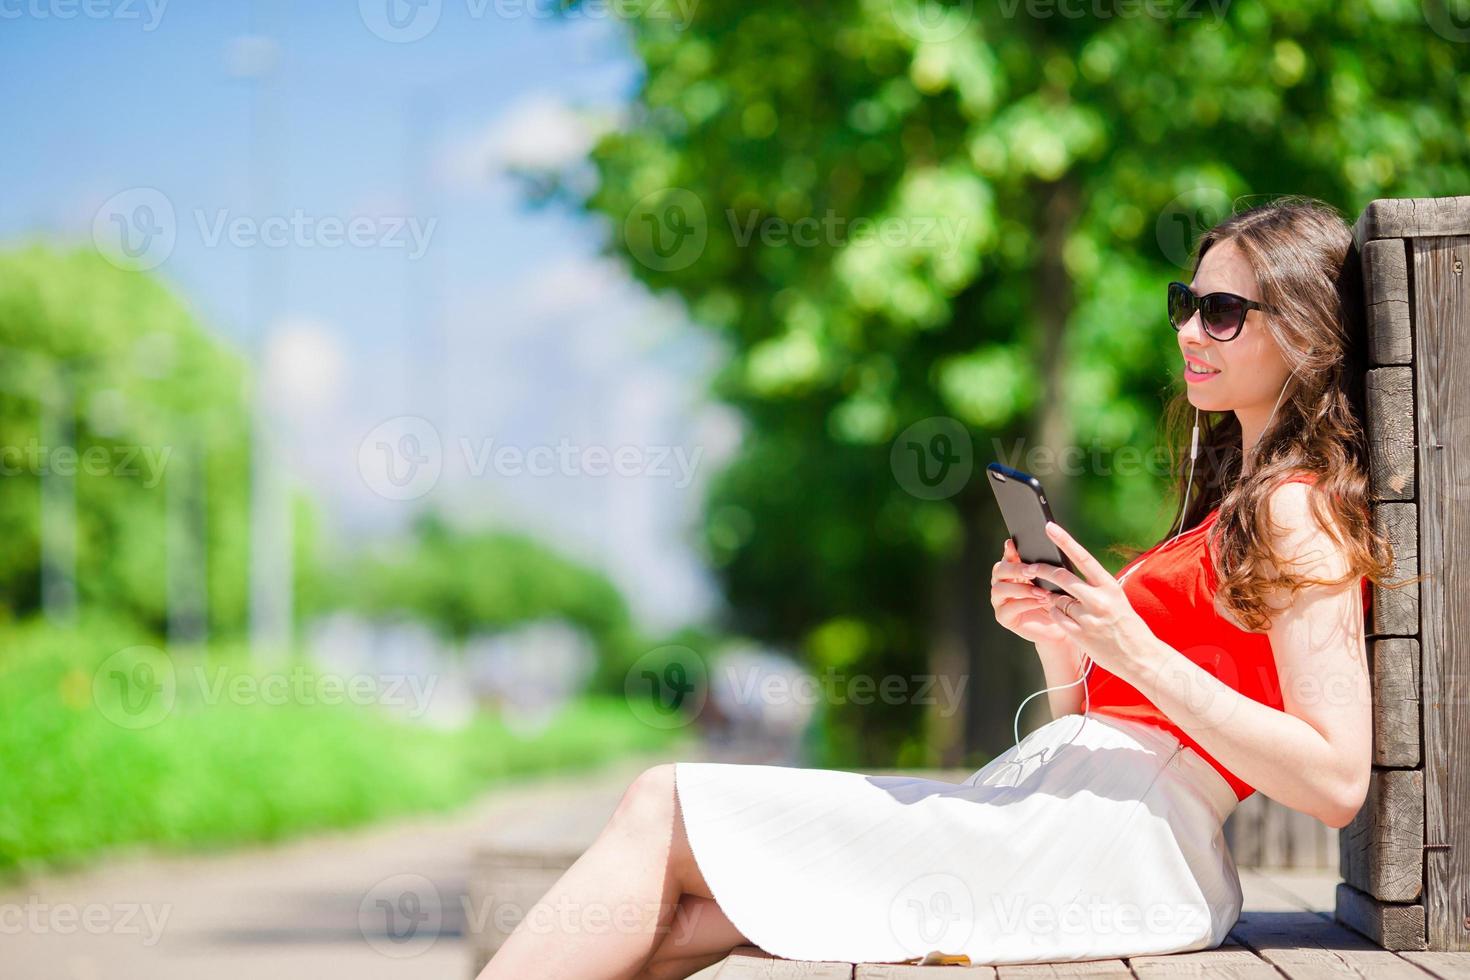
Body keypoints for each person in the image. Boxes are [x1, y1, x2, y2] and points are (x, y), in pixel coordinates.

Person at [476, 196, 1394, 979]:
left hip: (1099, 847)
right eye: (1185, 302)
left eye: (1223, 312)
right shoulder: (1233, 504)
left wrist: (1134, 646)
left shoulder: (1296, 510)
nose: (1190, 330)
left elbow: (1336, 777)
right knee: (669, 917)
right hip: (1070, 828)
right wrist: (1058, 635)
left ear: (1305, 331)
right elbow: (1112, 714)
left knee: (663, 804)